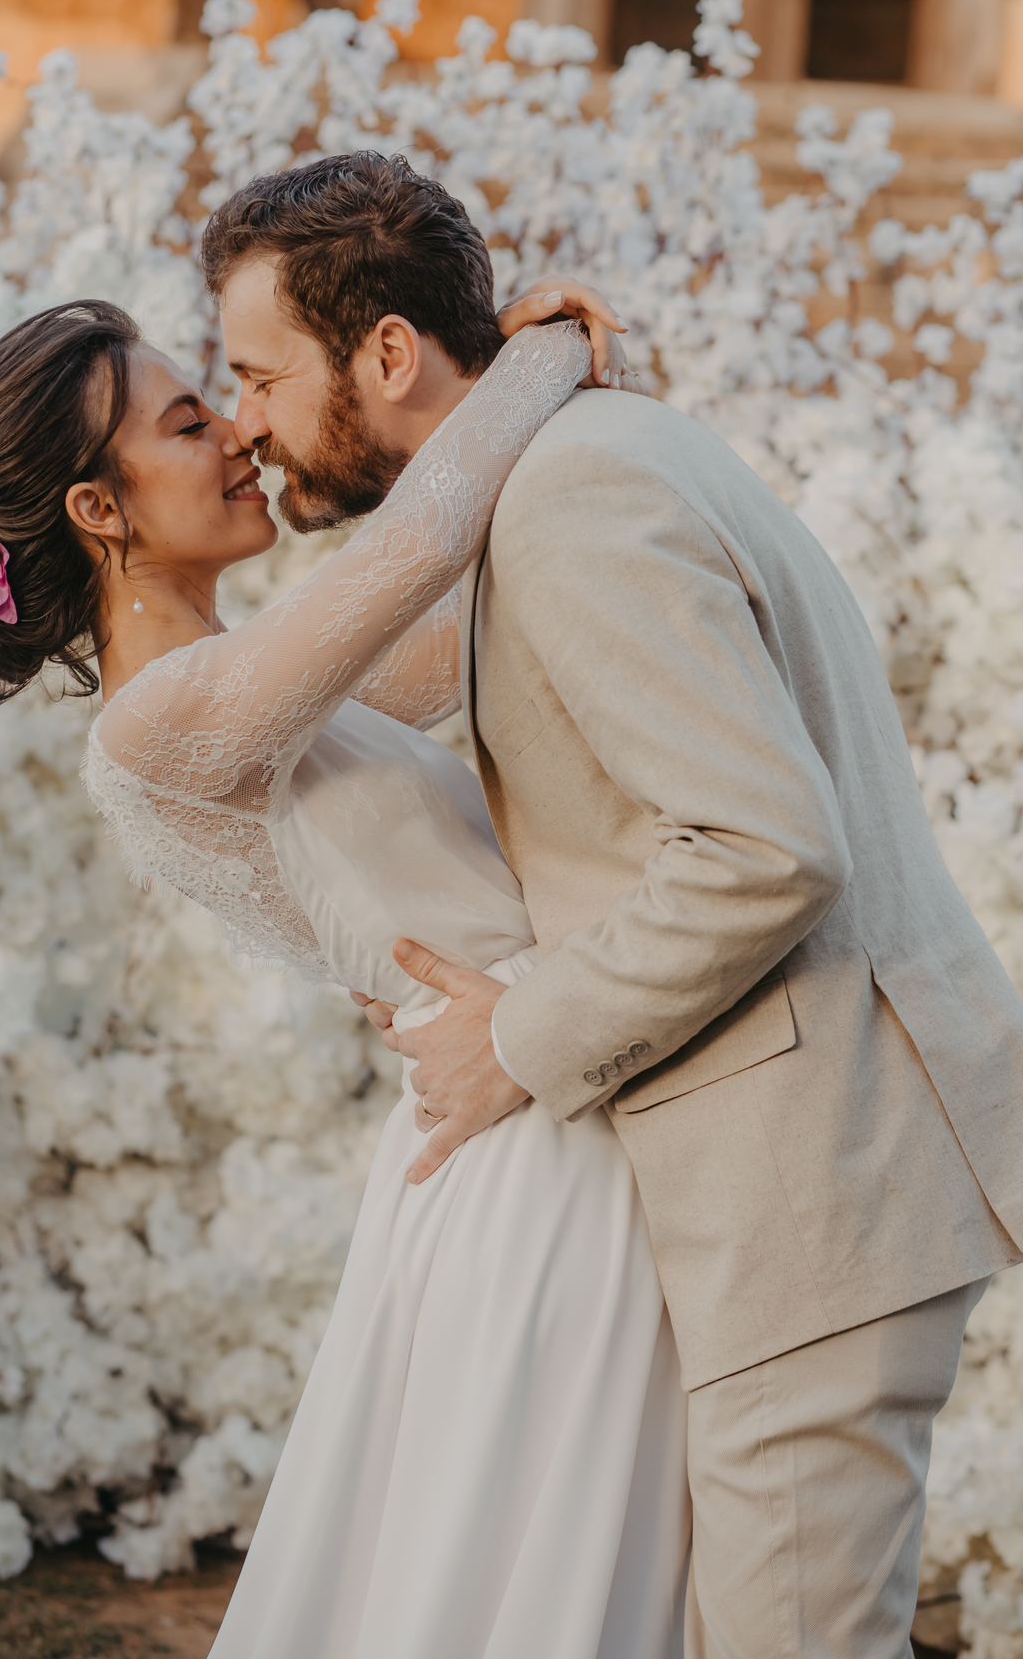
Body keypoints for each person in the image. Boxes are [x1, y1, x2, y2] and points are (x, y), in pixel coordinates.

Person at [202, 151, 1023, 1659]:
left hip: (813, 1178)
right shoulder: (581, 461)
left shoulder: (572, 501)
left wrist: (518, 1038)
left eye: (257, 373)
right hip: (794, 1167)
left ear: (386, 353)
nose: (242, 418)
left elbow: (769, 846)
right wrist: (549, 359)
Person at [0, 262, 690, 1657]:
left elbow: (490, 612)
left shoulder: (272, 685)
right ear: (99, 510)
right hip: (532, 1156)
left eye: (220, 401)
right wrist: (544, 347)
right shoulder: (158, 728)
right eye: (184, 423)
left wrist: (578, 389)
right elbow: (418, 550)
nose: (237, 434)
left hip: (545, 1102)